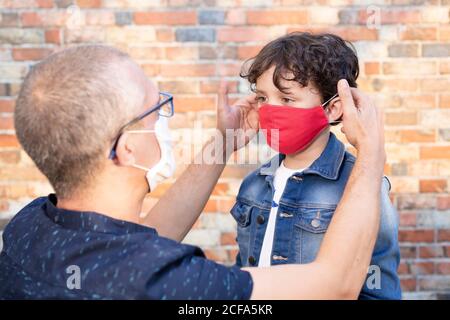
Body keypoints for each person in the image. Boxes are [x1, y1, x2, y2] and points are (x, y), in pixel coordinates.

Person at [0, 44, 386, 299]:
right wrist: (371, 153)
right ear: (127, 147)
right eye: (156, 110)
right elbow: (335, 285)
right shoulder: (171, 282)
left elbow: (143, 241)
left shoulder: (27, 228)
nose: (166, 118)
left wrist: (222, 144)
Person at [232, 32, 401, 299]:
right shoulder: (253, 184)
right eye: (263, 98)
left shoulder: (363, 187)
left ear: (332, 109)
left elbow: (378, 290)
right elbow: (245, 273)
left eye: (287, 99)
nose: (270, 110)